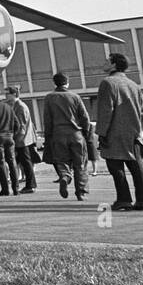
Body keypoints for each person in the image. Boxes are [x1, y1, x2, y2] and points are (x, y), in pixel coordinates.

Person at [95, 53, 143, 212]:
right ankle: (142, 200)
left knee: (115, 166)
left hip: (114, 132)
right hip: (133, 132)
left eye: (107, 61)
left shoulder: (108, 83)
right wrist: (139, 129)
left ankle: (124, 199)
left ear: (114, 64)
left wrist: (101, 132)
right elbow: (142, 110)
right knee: (136, 166)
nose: (104, 63)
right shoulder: (133, 84)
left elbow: (106, 110)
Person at [42, 72, 92, 200]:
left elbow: (47, 120)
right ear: (67, 83)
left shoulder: (49, 98)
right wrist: (86, 133)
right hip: (76, 134)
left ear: (54, 83)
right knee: (80, 164)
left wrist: (48, 136)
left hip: (58, 134)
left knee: (62, 160)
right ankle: (81, 192)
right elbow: (85, 117)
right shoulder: (75, 97)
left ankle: (65, 175)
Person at [5, 86, 39, 193]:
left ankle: (31, 185)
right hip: (23, 138)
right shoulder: (16, 105)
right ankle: (30, 184)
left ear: (14, 94)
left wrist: (16, 139)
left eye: (7, 94)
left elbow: (21, 125)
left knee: (26, 162)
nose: (6, 96)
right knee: (24, 162)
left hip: (22, 139)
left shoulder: (20, 106)